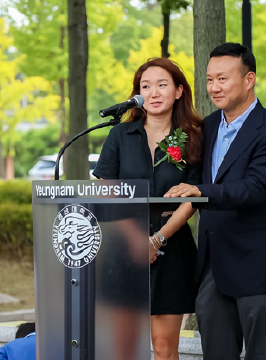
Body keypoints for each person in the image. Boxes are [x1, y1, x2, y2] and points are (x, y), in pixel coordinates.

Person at [166, 43, 266, 360]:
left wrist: (201, 192)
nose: (214, 87)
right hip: (213, 267)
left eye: (222, 79)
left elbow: (256, 188)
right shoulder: (205, 128)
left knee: (262, 354)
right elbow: (188, 179)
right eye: (210, 80)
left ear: (249, 79)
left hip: (257, 266)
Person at [93, 57, 203, 360]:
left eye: (162, 85)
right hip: (123, 250)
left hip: (172, 248)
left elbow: (192, 197)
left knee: (165, 347)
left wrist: (157, 240)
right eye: (146, 86)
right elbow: (107, 189)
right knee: (123, 347)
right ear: (137, 94)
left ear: (179, 91)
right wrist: (135, 239)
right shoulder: (120, 135)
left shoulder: (193, 137)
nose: (153, 92)